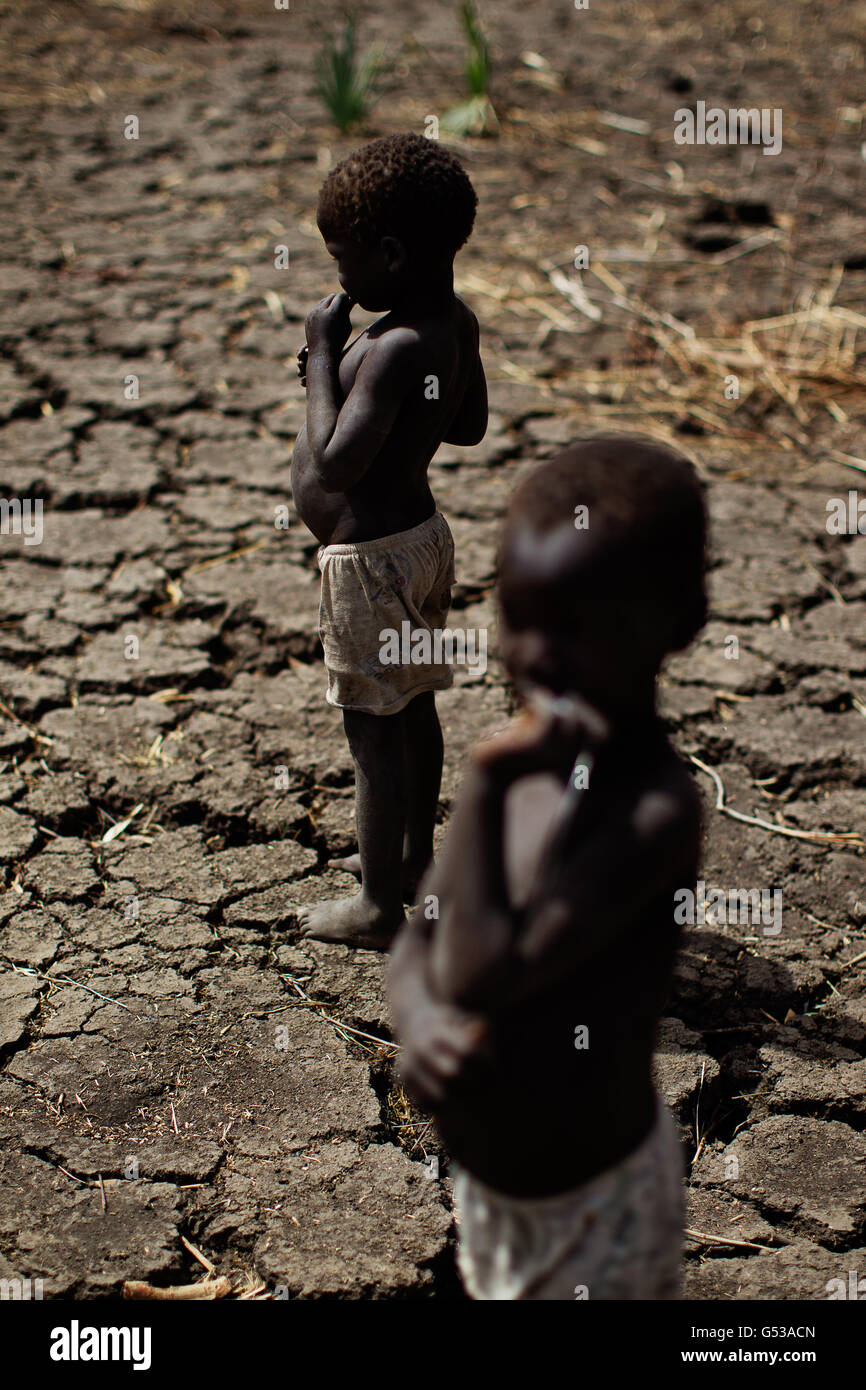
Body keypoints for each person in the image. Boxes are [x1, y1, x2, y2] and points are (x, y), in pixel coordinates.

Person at [389, 437, 708, 1298]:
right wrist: (417, 1022)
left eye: (578, 627)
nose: (538, 653)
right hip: (491, 1194)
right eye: (518, 618)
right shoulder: (526, 775)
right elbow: (421, 938)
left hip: (593, 1207)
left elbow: (485, 972)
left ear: (678, 623)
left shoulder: (652, 811)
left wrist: (487, 785)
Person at [292, 133, 487, 948]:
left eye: (343, 259)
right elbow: (471, 426)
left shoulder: (393, 346)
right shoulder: (451, 324)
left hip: (369, 565)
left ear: (391, 253)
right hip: (421, 543)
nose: (339, 275)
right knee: (415, 708)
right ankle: (413, 861)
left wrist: (322, 361)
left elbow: (335, 465)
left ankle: (377, 906)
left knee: (373, 731)